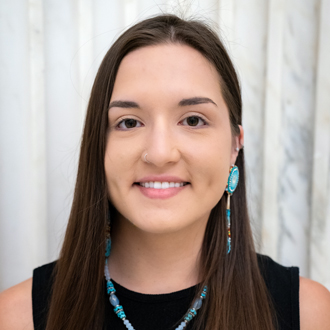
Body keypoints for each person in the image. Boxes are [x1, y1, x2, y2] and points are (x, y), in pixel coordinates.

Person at [0, 14, 330, 330]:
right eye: (128, 122)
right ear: (97, 146)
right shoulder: (16, 318)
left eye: (193, 120)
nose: (159, 153)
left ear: (235, 144)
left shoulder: (308, 313)